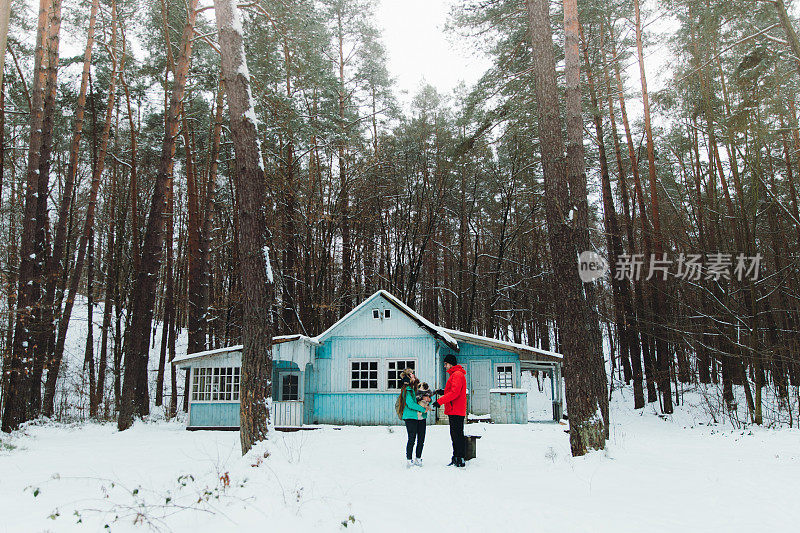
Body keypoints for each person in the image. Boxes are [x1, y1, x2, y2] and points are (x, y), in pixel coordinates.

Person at [432, 354, 467, 467]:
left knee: (456, 435)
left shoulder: (457, 374)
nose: (445, 366)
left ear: (450, 363)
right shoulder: (456, 374)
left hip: (455, 409)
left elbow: (455, 393)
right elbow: (452, 390)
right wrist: (442, 391)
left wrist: (439, 401)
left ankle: (460, 457)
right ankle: (457, 457)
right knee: (455, 434)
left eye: (445, 364)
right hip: (455, 409)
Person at [398, 368, 429, 467]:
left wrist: (428, 400)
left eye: (413, 373)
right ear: (407, 377)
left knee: (421, 439)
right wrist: (423, 409)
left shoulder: (419, 386)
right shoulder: (406, 389)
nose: (413, 375)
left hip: (421, 417)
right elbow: (410, 404)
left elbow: (427, 398)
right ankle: (409, 459)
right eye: (410, 374)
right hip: (411, 417)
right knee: (412, 438)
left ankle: (418, 458)